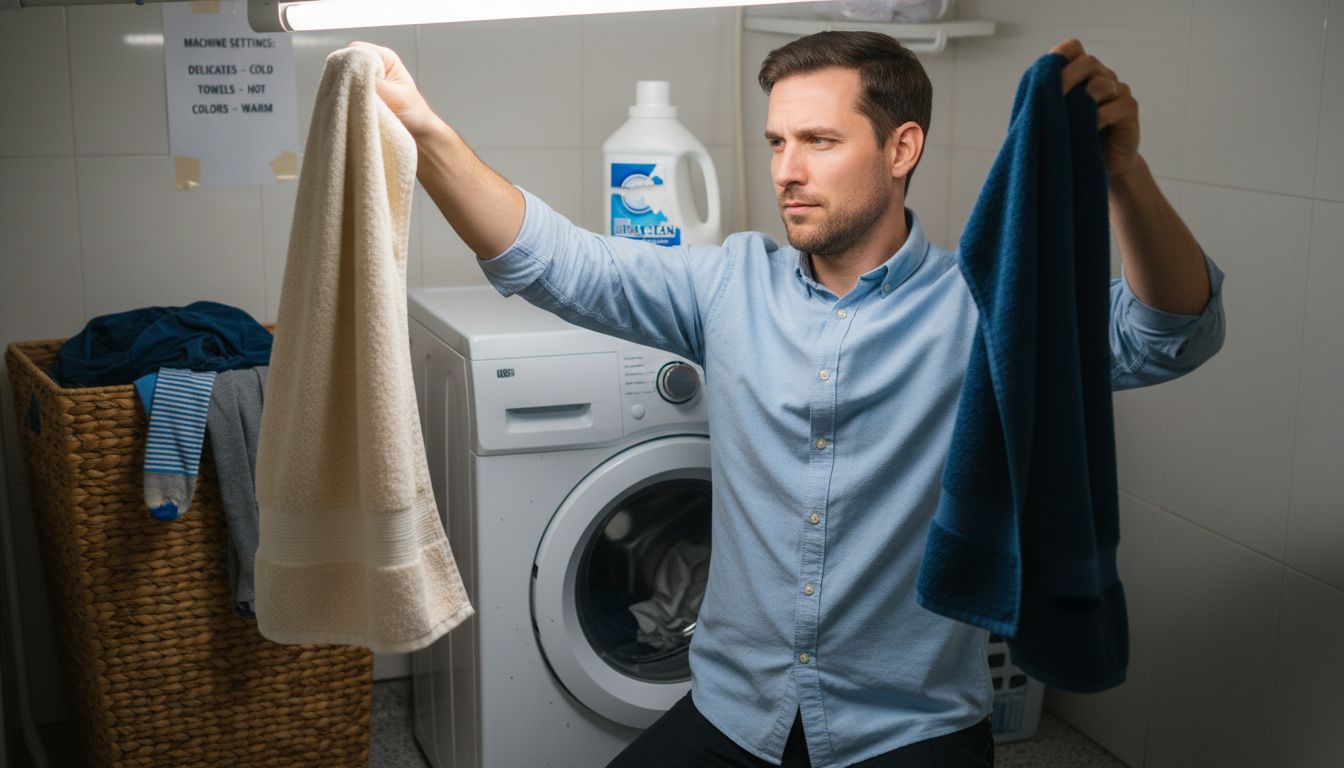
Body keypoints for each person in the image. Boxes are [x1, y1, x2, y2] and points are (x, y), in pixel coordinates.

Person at [357, 30, 1225, 768]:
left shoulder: (985, 306)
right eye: (777, 143)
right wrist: (424, 129)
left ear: (901, 148)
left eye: (817, 140)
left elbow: (1169, 332)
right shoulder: (730, 284)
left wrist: (1124, 175)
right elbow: (557, 262)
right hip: (736, 709)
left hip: (909, 726)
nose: (787, 171)